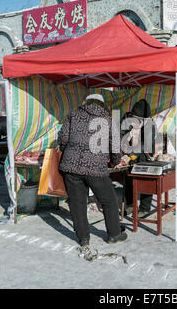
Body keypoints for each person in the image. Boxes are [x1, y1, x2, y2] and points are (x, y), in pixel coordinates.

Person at [58, 94, 127, 247]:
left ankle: (83, 238)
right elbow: (115, 146)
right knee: (109, 201)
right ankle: (114, 234)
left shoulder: (74, 115)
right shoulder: (108, 121)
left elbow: (63, 137)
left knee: (77, 203)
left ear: (86, 102)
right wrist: (115, 161)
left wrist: (67, 151)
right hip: (96, 167)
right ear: (102, 105)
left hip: (71, 166)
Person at [121, 99, 158, 217]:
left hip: (144, 154)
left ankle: (144, 208)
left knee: (145, 180)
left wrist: (132, 155)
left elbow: (144, 145)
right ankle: (130, 205)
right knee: (128, 180)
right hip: (129, 153)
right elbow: (121, 134)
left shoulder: (150, 125)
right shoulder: (128, 120)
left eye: (138, 119)